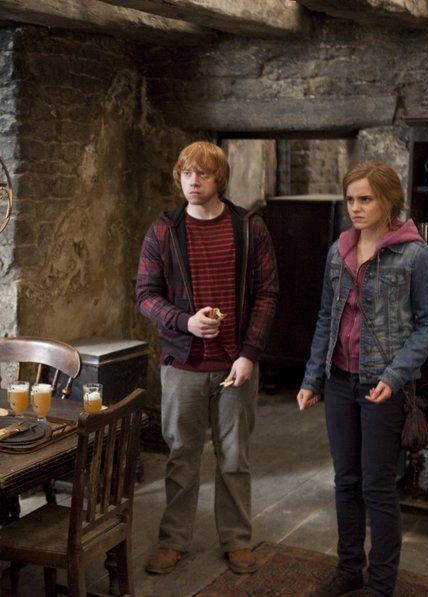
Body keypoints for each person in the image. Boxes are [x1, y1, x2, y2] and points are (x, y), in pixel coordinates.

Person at [297, 161, 428, 597]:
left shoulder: (415, 255)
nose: (355, 208)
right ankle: (349, 570)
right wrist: (312, 378)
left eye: (366, 199)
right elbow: (327, 317)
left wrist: (395, 376)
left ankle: (380, 585)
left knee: (377, 487)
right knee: (346, 481)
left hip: (383, 385)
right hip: (340, 380)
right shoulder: (339, 250)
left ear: (389, 201)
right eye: (350, 199)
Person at [136, 141, 279, 576]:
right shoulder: (164, 230)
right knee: (181, 457)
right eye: (186, 173)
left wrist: (249, 354)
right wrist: (185, 322)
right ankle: (173, 541)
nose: (193, 182)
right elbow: (145, 295)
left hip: (236, 366)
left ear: (220, 179)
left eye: (203, 174)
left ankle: (237, 541)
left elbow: (267, 294)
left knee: (234, 459)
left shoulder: (249, 228)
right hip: (183, 364)